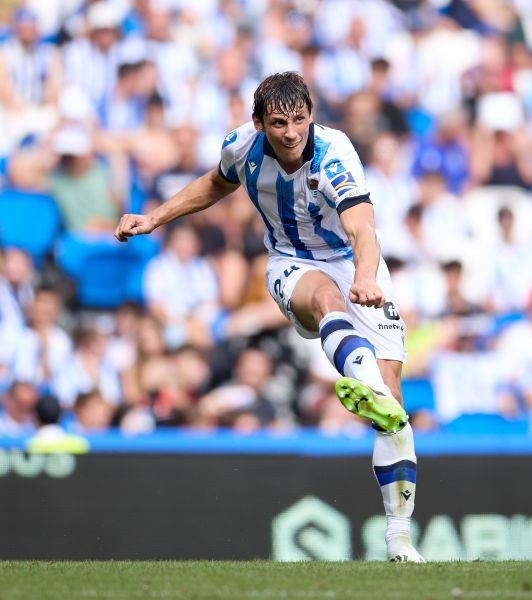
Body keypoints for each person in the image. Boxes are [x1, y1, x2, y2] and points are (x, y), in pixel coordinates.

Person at [114, 72, 423, 562]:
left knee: (395, 416)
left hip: (356, 262)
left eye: (300, 120)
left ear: (311, 115)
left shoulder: (336, 154)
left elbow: (363, 228)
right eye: (279, 123)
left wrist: (366, 276)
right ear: (259, 123)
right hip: (291, 264)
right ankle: (362, 379)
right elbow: (215, 183)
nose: (291, 132)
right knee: (326, 302)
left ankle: (399, 538)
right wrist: (155, 218)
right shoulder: (243, 146)